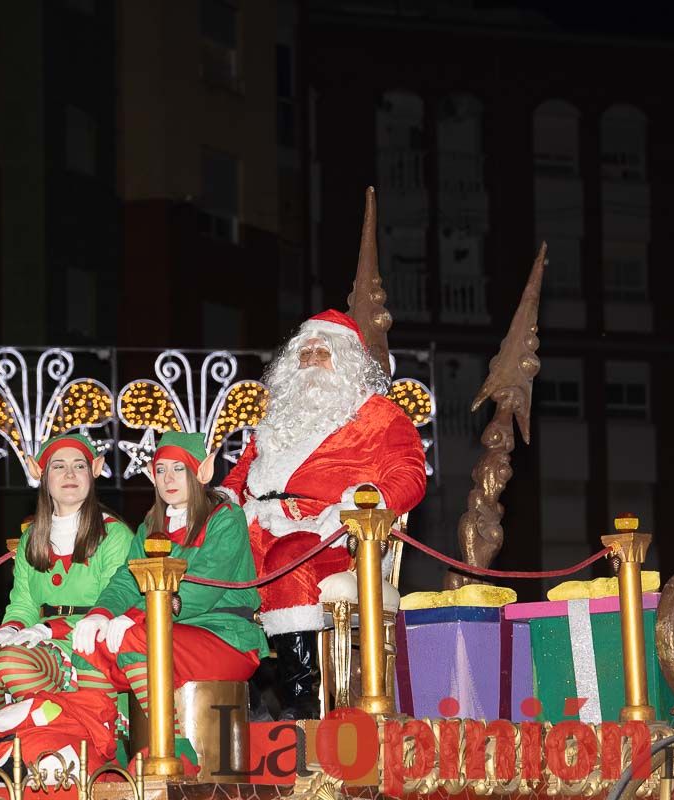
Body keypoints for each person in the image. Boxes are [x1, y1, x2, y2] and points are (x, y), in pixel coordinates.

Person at [221, 309, 427, 719]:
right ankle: (239, 692)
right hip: (260, 522)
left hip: (332, 533)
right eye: (305, 351)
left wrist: (365, 500)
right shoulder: (278, 417)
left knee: (288, 558)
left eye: (323, 350)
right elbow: (242, 472)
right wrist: (222, 498)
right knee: (216, 564)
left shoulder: (379, 414)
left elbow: (410, 475)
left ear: (348, 360)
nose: (312, 358)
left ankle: (301, 697)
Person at [73, 431, 268, 766]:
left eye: (179, 468)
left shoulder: (225, 519)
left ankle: (173, 748)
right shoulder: (151, 524)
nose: (169, 479)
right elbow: (127, 578)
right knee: (88, 646)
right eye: (161, 470)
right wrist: (100, 614)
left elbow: (200, 588)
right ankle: (103, 752)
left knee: (136, 638)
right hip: (169, 634)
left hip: (226, 637)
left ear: (201, 473)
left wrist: (137, 617)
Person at [0, 433, 135, 713]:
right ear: (38, 472)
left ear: (96, 469)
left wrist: (49, 628)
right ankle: (10, 744)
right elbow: (24, 603)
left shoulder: (114, 535)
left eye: (79, 465)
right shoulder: (31, 537)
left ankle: (74, 730)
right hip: (42, 640)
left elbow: (115, 603)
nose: (69, 473)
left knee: (12, 661)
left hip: (89, 643)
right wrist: (8, 630)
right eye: (58, 466)